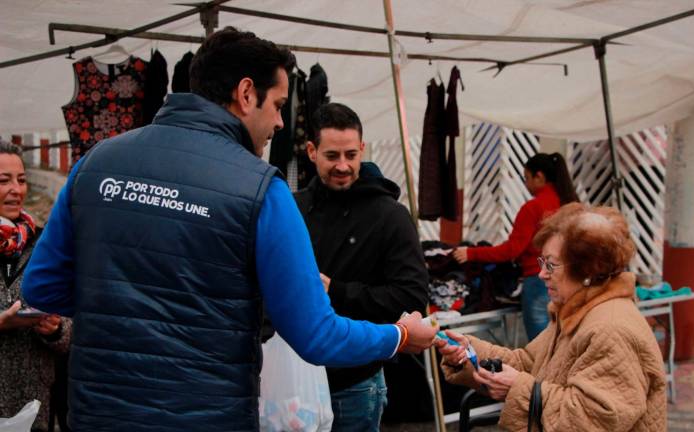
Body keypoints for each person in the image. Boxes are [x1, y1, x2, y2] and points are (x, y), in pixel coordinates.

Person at [21, 27, 436, 431]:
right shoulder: (259, 188)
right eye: (277, 105)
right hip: (206, 412)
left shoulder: (96, 163)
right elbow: (316, 335)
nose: (279, 122)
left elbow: (40, 288)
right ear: (245, 94)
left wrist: (125, 309)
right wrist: (399, 335)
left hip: (99, 411)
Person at [437, 203, 667, 431]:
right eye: (542, 262)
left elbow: (590, 420)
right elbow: (528, 362)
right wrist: (469, 353)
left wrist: (517, 387)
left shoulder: (611, 329)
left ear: (588, 269)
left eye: (551, 264)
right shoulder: (577, 312)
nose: (542, 273)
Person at [294, 103, 429, 431]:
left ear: (362, 149)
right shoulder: (293, 207)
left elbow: (411, 299)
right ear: (311, 151)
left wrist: (336, 291)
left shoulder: (390, 216)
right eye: (332, 156)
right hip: (294, 379)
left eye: (351, 155)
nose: (343, 165)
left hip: (354, 382)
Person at [452, 152, 578, 340]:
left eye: (527, 178)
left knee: (541, 346)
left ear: (540, 177)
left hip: (539, 279)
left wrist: (471, 253)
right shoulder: (570, 205)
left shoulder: (533, 208)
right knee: (566, 341)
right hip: (571, 278)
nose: (526, 184)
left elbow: (512, 249)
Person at [0, 141, 71, 431]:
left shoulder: (44, 243)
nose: (16, 189)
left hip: (34, 407)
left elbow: (71, 326)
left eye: (22, 179)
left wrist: (55, 330)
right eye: (4, 181)